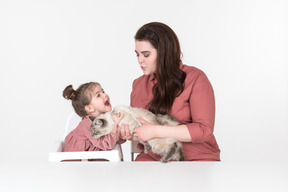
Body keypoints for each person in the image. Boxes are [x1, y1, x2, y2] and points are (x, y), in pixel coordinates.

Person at [121, 22, 221, 161]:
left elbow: (203, 130)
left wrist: (155, 131)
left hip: (193, 159)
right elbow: (141, 130)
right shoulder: (138, 84)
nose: (140, 60)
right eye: (137, 54)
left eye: (146, 54)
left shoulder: (195, 78)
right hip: (153, 158)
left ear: (164, 53)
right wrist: (130, 134)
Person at [62, 82, 124, 153]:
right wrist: (114, 126)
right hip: (77, 161)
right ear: (90, 108)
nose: (105, 95)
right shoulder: (89, 123)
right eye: (98, 95)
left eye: (103, 92)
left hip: (92, 161)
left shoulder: (105, 118)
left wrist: (121, 133)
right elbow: (106, 144)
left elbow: (113, 139)